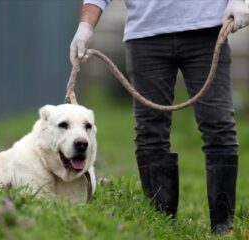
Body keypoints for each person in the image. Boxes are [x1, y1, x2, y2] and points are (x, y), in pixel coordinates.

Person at [70, 0, 249, 235]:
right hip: (145, 35)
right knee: (150, 132)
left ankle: (223, 226)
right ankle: (161, 225)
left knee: (219, 127)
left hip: (207, 30)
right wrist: (86, 26)